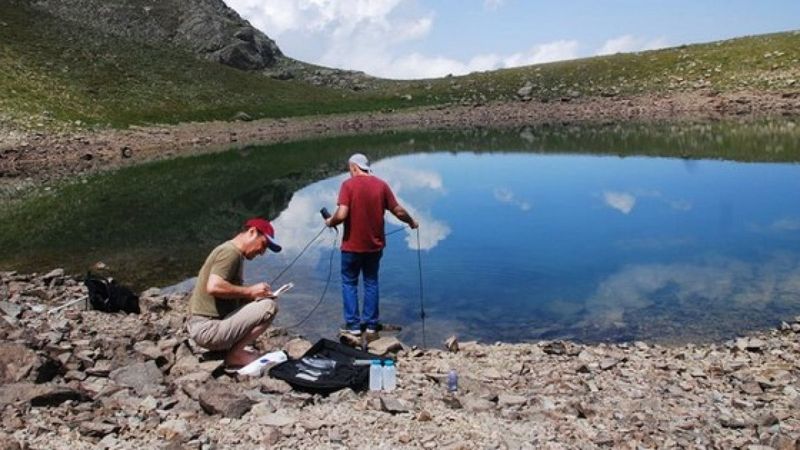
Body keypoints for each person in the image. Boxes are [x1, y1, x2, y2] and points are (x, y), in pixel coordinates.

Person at [325, 153, 418, 339]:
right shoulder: (381, 185)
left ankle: (353, 325)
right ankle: (371, 325)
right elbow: (398, 210)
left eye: (349, 169)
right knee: (371, 282)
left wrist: (330, 221)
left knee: (349, 282)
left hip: (351, 247)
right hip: (374, 247)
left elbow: (342, 214)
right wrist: (411, 221)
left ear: (353, 167)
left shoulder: (347, 185)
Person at [186, 217, 283, 368]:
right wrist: (250, 291)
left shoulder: (233, 253)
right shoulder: (230, 252)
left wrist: (254, 295)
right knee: (269, 307)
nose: (262, 252)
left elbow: (228, 294)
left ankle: (233, 352)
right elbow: (214, 287)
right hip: (207, 329)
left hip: (203, 326)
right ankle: (235, 355)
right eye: (263, 245)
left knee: (263, 302)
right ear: (252, 232)